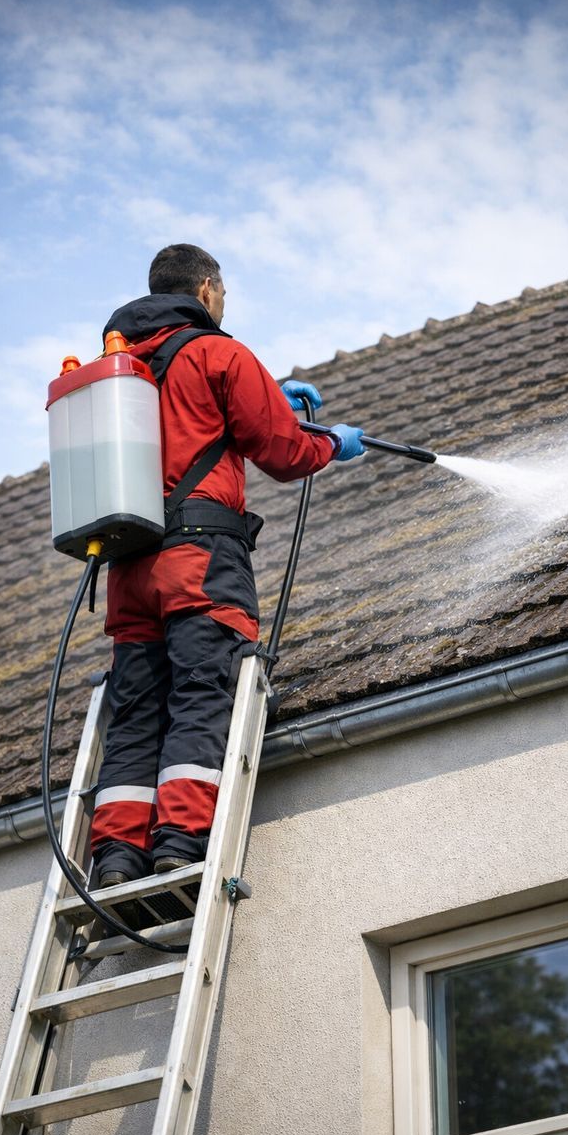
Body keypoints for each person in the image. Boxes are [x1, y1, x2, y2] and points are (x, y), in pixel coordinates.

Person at [89, 243, 365, 893]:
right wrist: (331, 442)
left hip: (128, 573)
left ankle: (117, 856)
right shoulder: (219, 354)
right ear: (208, 291)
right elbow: (283, 450)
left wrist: (272, 395)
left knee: (135, 715)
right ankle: (180, 842)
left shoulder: (119, 373)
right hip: (199, 563)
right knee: (200, 692)